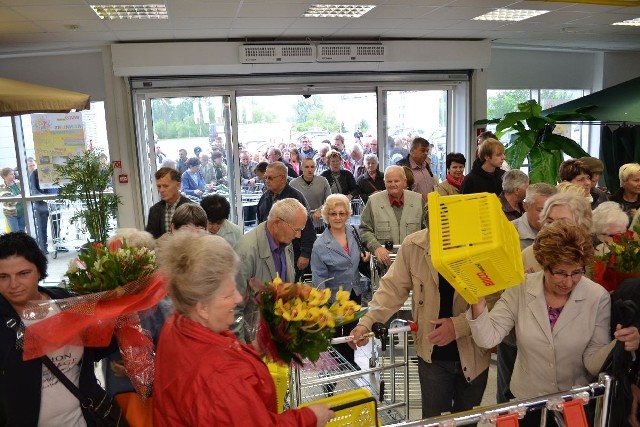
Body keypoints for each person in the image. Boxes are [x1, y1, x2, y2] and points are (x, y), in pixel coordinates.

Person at [153, 229, 333, 426]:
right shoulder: (222, 381)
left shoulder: (177, 324)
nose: (238, 299)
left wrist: (255, 348)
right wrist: (310, 417)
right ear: (203, 307)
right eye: (229, 294)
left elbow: (217, 349)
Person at [468, 221, 640, 427]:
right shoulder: (520, 288)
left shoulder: (597, 297)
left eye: (577, 272)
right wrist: (477, 302)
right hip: (527, 403)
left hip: (574, 406)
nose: (568, 282)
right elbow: (488, 338)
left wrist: (619, 343)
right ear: (543, 264)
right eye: (559, 272)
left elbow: (592, 361)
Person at [349, 226, 496, 420]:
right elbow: (391, 290)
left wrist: (457, 326)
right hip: (432, 356)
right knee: (434, 420)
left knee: (468, 421)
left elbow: (496, 299)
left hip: (474, 353)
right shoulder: (414, 246)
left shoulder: (485, 245)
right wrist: (366, 323)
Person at [0, 232, 117, 425]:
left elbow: (96, 346)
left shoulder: (65, 301)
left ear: (39, 270)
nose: (14, 285)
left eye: (23, 274)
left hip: (84, 418)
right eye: (3, 276)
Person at [233, 198, 308, 342]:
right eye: (296, 229)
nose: (298, 235)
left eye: (301, 229)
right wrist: (243, 351)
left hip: (278, 338)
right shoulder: (246, 252)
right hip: (253, 343)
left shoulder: (285, 242)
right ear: (277, 223)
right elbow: (234, 309)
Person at [311, 194, 370, 366]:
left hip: (354, 292)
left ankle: (350, 364)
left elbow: (359, 255)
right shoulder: (320, 245)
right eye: (333, 214)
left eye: (342, 213)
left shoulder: (354, 232)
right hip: (333, 298)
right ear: (326, 215)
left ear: (347, 215)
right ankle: (334, 372)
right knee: (336, 337)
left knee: (352, 332)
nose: (338, 217)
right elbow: (319, 279)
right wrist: (325, 305)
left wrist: (365, 256)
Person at [257, 162, 316, 281]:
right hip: (269, 254)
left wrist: (305, 254)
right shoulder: (265, 198)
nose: (267, 181)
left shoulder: (295, 198)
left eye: (270, 178)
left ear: (283, 178)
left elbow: (307, 228)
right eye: (265, 178)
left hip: (293, 254)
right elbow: (260, 224)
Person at [359, 165, 426, 267]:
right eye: (389, 181)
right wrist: (376, 247)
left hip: (414, 263)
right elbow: (364, 229)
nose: (393, 184)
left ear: (404, 182)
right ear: (384, 183)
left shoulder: (418, 200)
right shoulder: (373, 201)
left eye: (396, 181)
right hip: (385, 265)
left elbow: (427, 229)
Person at [145, 167, 193, 239]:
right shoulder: (154, 210)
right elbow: (150, 238)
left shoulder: (192, 209)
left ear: (178, 186)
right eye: (159, 186)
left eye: (165, 186)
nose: (161, 190)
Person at [511, 183, 558, 250]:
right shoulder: (509, 232)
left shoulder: (563, 231)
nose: (548, 215)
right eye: (541, 210)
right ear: (526, 207)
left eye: (552, 210)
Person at [290, 158, 331, 233]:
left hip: (319, 223)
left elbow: (330, 201)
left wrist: (320, 209)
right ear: (301, 168)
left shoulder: (323, 181)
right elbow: (290, 204)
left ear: (315, 168)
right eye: (307, 167)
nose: (310, 170)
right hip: (300, 225)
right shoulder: (293, 183)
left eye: (312, 167)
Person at [0, 167, 25, 232]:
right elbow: (10, 202)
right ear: (5, 176)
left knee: (22, 233)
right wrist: (21, 196)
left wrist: (18, 197)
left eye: (13, 174)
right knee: (15, 233)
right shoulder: (2, 187)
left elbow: (25, 194)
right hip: (11, 215)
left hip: (22, 212)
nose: (14, 175)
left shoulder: (18, 183)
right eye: (11, 174)